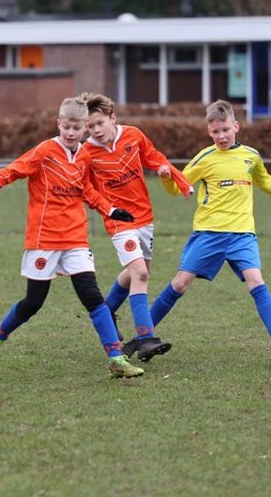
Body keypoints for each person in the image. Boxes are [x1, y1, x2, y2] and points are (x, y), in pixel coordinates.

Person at [0, 96, 144, 379]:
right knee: (33, 303)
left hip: (75, 238)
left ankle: (116, 357)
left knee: (93, 298)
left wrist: (111, 210)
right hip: (44, 239)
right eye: (66, 127)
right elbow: (16, 168)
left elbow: (87, 191)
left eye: (77, 128)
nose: (70, 133)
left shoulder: (85, 156)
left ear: (84, 128)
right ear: (59, 124)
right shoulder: (45, 151)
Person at [152, 99, 271, 363]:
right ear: (209, 131)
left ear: (236, 126)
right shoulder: (205, 158)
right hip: (209, 233)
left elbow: (266, 181)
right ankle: (144, 335)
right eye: (216, 132)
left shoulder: (251, 156)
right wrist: (166, 178)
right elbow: (178, 187)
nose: (221, 136)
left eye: (225, 129)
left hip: (242, 234)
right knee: (180, 283)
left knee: (256, 281)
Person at [79, 92, 193, 362]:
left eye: (100, 123)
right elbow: (83, 187)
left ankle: (106, 310)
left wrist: (172, 176)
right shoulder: (86, 152)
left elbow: (153, 157)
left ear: (112, 118)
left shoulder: (133, 135)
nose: (96, 130)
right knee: (140, 272)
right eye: (90, 126)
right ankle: (145, 337)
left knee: (138, 273)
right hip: (118, 220)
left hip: (144, 217)